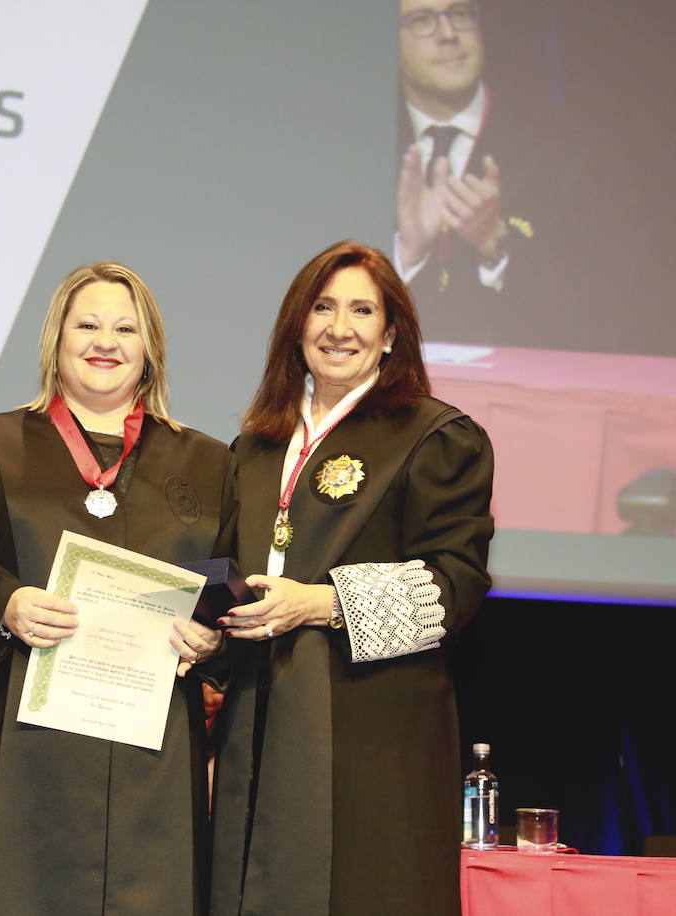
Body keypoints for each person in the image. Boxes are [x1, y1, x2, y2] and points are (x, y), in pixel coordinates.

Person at [0, 262, 230, 915]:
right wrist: (3, 603)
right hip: (15, 754)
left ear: (150, 349)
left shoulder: (211, 464)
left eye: (125, 329)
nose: (105, 342)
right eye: (87, 325)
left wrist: (213, 638)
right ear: (56, 340)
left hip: (155, 762)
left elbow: (233, 588)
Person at [210, 240, 494, 915]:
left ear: (391, 334)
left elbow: (454, 586)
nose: (340, 328)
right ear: (296, 326)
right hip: (257, 725)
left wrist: (319, 603)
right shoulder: (255, 446)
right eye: (323, 308)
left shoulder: (436, 437)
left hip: (372, 735)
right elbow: (223, 571)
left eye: (362, 311)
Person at [394, 0, 637, 350]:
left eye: (460, 14)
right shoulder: (353, 148)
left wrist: (496, 243)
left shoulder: (570, 151)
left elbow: (608, 310)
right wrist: (406, 256)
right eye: (422, 20)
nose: (448, 34)